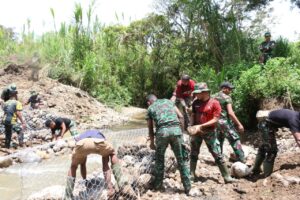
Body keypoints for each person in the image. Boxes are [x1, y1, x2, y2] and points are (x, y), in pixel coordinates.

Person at [64, 129, 135, 199]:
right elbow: (105, 160)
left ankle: (68, 196)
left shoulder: (82, 135)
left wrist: (85, 180)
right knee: (111, 153)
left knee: (73, 166)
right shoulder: (99, 134)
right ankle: (115, 186)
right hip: (98, 141)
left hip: (82, 143)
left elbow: (83, 164)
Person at [188, 82, 235, 183]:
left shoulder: (214, 103)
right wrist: (191, 125)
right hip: (196, 131)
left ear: (205, 92)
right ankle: (191, 175)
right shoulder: (196, 102)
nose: (196, 95)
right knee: (193, 153)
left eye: (198, 93)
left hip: (210, 131)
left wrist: (201, 126)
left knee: (217, 153)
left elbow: (215, 119)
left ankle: (227, 177)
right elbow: (193, 115)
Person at [146, 94, 191, 195]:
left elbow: (150, 128)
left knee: (159, 160)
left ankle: (158, 186)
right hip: (176, 131)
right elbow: (180, 116)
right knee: (181, 159)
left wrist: (152, 143)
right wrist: (181, 132)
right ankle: (188, 188)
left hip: (162, 133)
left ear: (149, 102)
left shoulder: (150, 108)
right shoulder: (169, 102)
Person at [252, 109, 300, 177]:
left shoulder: (296, 116)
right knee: (271, 150)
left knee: (263, 147)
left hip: (265, 123)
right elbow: (298, 139)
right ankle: (267, 175)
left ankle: (255, 170)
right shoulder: (294, 120)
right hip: (265, 125)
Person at [213, 82, 245, 162]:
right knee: (235, 139)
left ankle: (219, 160)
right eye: (229, 89)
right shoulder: (227, 98)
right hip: (224, 122)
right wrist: (239, 124)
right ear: (223, 88)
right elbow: (230, 113)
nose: (230, 91)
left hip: (215, 122)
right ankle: (242, 160)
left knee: (219, 140)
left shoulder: (212, 97)